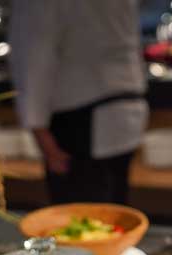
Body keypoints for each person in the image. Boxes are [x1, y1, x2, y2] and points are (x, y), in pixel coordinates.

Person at [8, 0, 148, 205]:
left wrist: (38, 129)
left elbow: (33, 55)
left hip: (81, 116)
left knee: (81, 221)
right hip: (128, 106)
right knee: (114, 213)